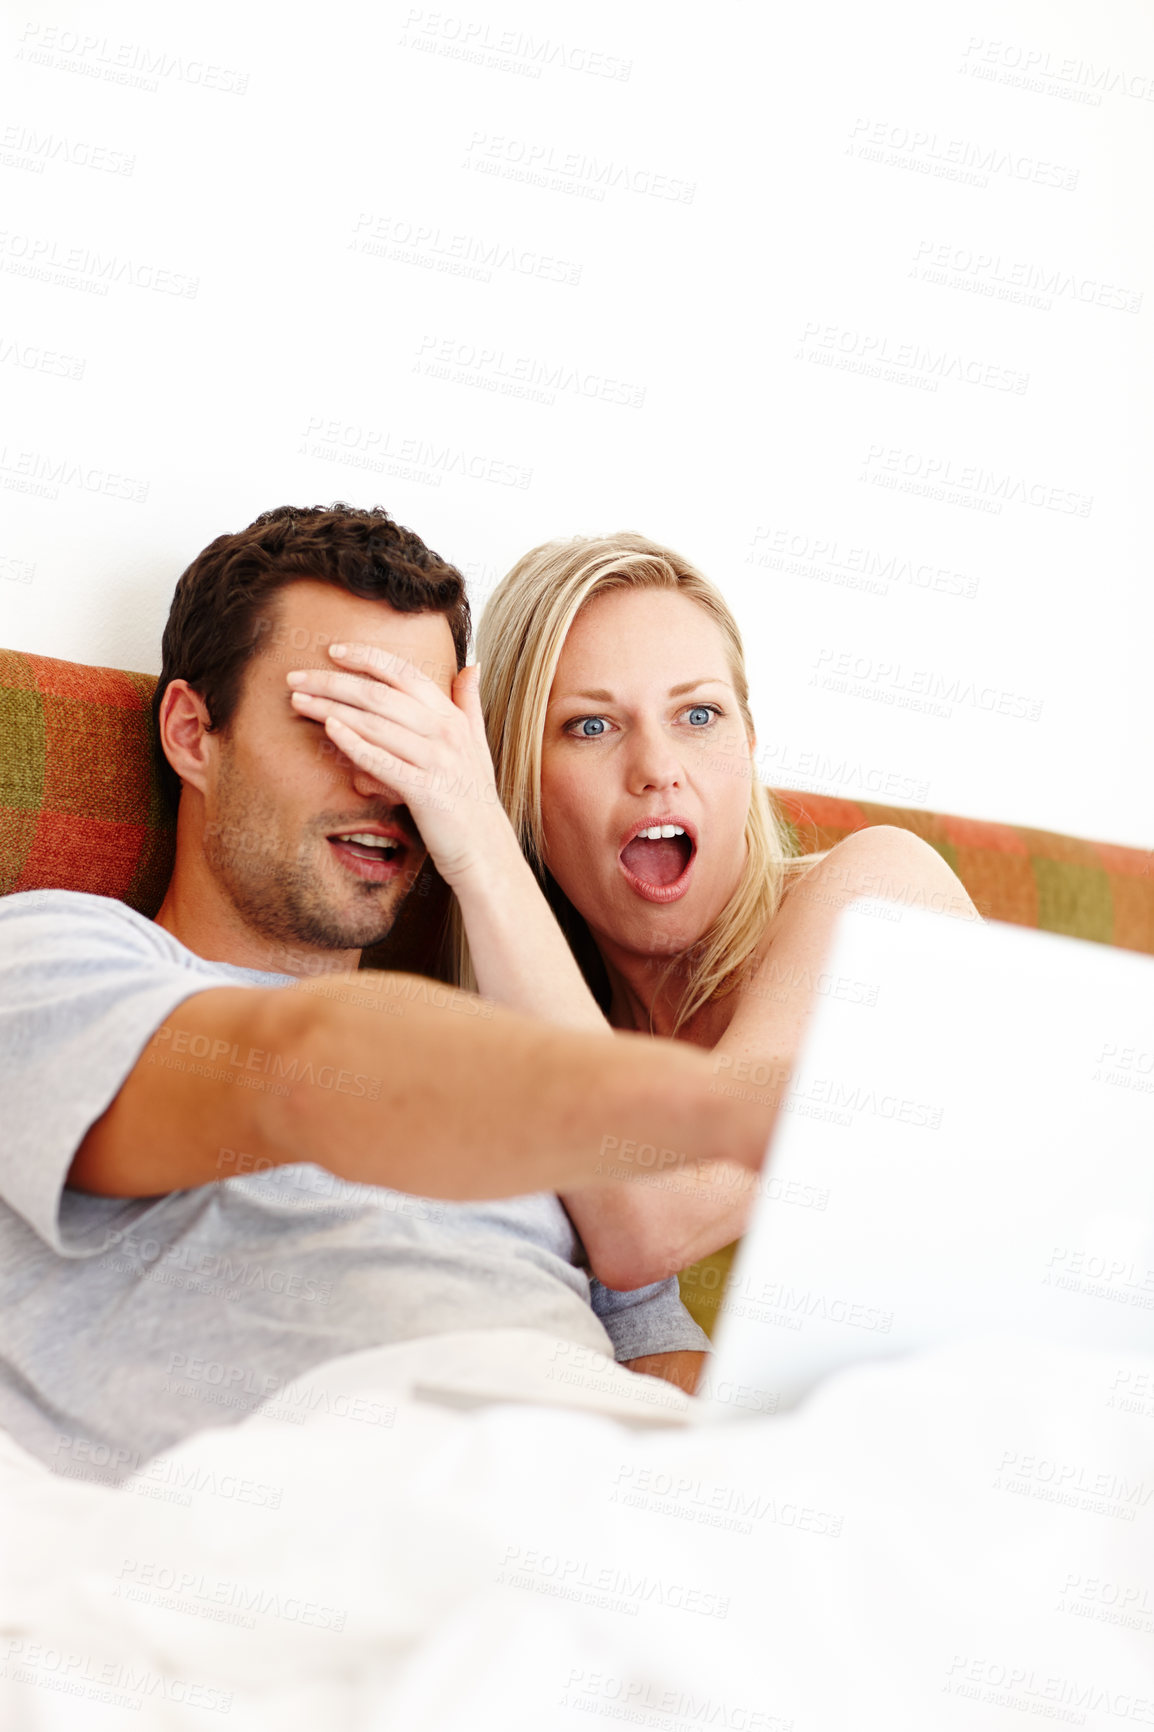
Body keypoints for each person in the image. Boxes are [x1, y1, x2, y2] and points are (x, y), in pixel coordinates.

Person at [0, 506, 774, 1480]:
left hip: (593, 1480)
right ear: (195, 733)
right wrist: (738, 1108)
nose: (386, 781)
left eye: (421, 738)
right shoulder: (46, 956)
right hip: (323, 1493)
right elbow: (293, 1072)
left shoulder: (510, 1063)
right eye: (340, 718)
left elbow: (659, 1362)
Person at [467, 530, 981, 1321]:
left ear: (748, 742)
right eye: (591, 726)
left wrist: (471, 836)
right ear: (516, 783)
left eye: (698, 714)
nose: (657, 768)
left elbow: (650, 1223)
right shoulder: (545, 1033)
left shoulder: (880, 896)